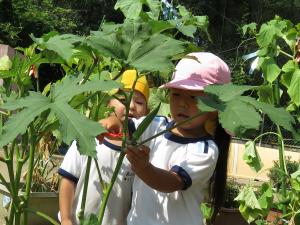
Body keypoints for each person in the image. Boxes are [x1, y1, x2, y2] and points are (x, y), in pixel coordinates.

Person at [102, 52, 232, 225]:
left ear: (215, 107)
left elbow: (172, 183)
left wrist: (144, 168)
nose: (182, 103)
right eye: (176, 94)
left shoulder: (205, 149)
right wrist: (111, 122)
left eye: (193, 97)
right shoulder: (156, 125)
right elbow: (125, 127)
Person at [58, 69, 150, 225]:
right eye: (123, 99)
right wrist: (66, 219)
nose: (131, 106)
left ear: (147, 112)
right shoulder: (88, 137)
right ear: (108, 103)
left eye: (139, 102)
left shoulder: (139, 153)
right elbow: (68, 179)